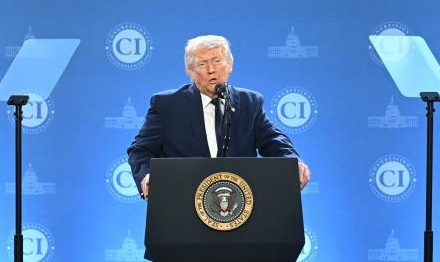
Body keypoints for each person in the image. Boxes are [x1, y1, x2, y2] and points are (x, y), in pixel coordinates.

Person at [128, 34, 310, 199]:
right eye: (201, 64)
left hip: (239, 205)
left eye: (217, 61)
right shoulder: (167, 105)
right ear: (191, 72)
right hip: (182, 203)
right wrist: (147, 176)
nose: (211, 70)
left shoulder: (249, 103)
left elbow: (273, 141)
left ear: (230, 64)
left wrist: (292, 162)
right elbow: (140, 150)